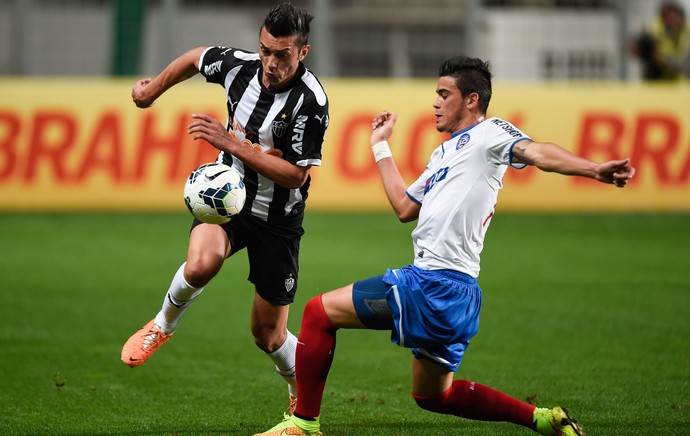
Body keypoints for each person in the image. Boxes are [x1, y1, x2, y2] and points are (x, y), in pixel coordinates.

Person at [255, 56, 636, 436]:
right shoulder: (443, 154)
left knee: (318, 313)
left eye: (443, 94)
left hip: (432, 284)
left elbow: (539, 153)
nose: (435, 102)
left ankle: (303, 425)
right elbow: (405, 207)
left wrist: (593, 169)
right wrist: (380, 146)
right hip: (457, 292)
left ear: (471, 100)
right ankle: (543, 419)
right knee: (433, 396)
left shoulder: (491, 134)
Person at [120, 2, 329, 413]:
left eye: (281, 55)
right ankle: (162, 325)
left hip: (278, 219)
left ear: (302, 52)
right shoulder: (240, 67)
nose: (270, 62)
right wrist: (152, 90)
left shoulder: (311, 102)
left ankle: (298, 395)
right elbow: (196, 58)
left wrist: (232, 144)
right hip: (228, 197)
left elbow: (295, 176)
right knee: (201, 264)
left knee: (267, 335)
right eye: (265, 50)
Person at [631, 1, 690, 80]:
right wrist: (640, 49)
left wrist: (664, 59)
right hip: (658, 80)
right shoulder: (656, 28)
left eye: (672, 16)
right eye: (665, 17)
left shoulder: (687, 33)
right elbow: (639, 45)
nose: (669, 21)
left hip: (681, 84)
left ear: (680, 16)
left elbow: (685, 66)